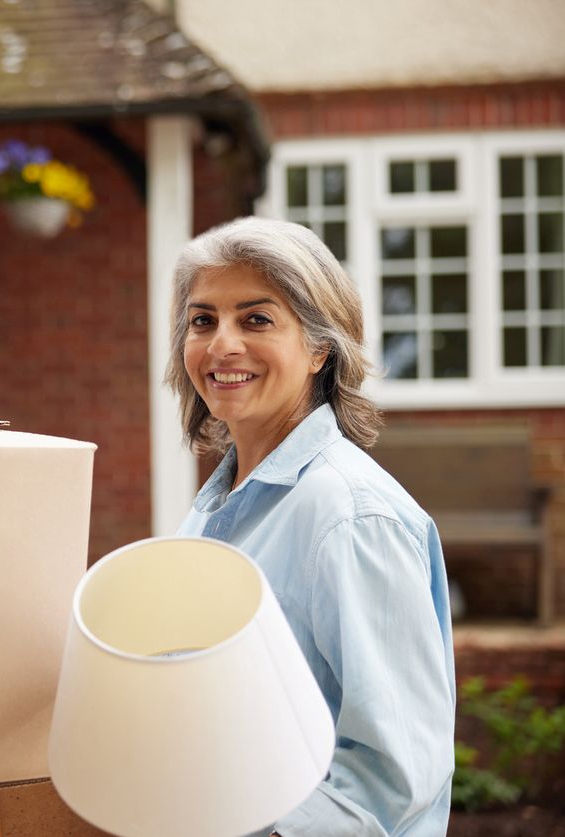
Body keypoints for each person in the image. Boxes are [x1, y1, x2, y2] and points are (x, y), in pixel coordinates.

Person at [166, 217, 455, 836]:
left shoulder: (349, 515)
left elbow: (394, 775)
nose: (222, 346)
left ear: (320, 347)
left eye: (256, 319)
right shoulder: (214, 509)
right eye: (202, 320)